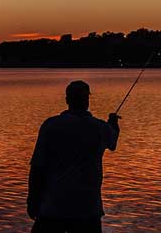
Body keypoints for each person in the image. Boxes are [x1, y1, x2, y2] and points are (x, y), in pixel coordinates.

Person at [27, 80, 120, 233]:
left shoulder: (51, 125)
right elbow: (113, 142)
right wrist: (114, 124)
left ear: (67, 100)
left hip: (54, 206)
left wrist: (32, 200)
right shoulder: (101, 128)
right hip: (88, 208)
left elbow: (37, 167)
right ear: (87, 100)